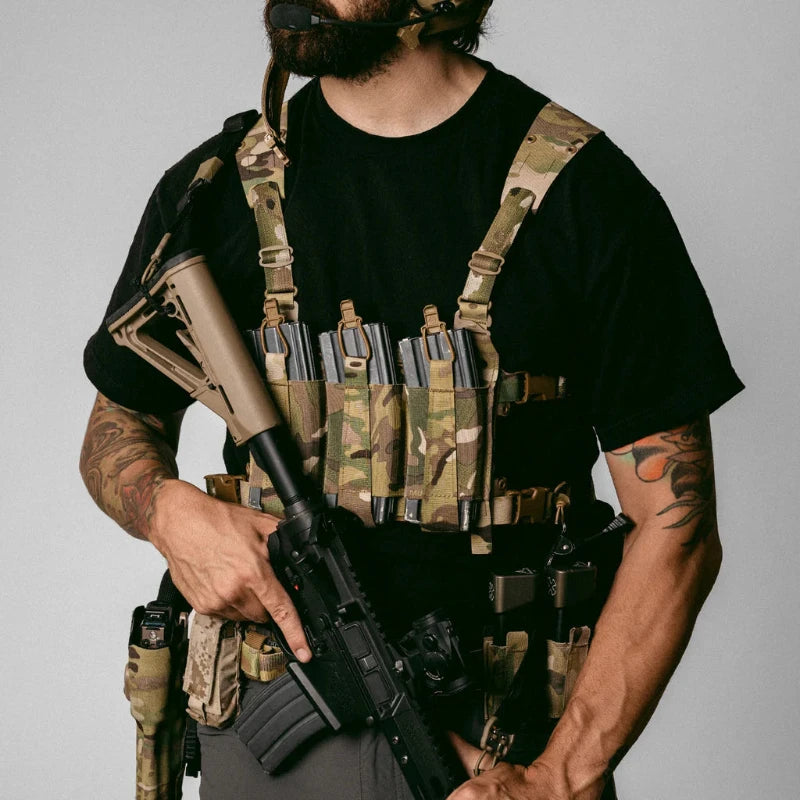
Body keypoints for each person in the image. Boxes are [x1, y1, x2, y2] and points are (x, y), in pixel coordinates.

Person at [80, 1, 744, 798]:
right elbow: (117, 426)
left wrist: (560, 778)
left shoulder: (587, 193)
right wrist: (167, 513)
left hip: (501, 758)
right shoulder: (216, 187)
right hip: (273, 743)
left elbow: (677, 525)